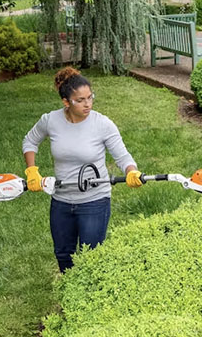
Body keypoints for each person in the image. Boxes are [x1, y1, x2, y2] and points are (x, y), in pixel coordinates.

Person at [22, 67, 143, 272]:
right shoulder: (51, 120)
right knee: (63, 253)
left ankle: (91, 299)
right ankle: (70, 297)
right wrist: (31, 171)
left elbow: (122, 156)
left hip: (94, 201)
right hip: (61, 200)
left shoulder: (102, 124)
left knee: (91, 257)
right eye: (81, 100)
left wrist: (131, 171)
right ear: (66, 102)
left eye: (90, 97)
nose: (88, 104)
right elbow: (29, 142)